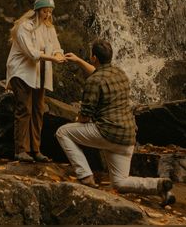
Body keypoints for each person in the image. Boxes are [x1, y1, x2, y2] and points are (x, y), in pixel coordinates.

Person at [56, 39, 175, 206]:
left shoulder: (94, 81)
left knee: (63, 132)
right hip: (127, 136)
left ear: (94, 58)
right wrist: (78, 60)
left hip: (108, 133)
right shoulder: (120, 73)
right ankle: (159, 185)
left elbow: (85, 115)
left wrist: (78, 119)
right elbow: (99, 74)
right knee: (119, 182)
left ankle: (85, 176)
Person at [6, 0, 66, 162]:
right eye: (44, 10)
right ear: (37, 9)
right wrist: (53, 58)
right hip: (22, 72)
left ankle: (35, 149)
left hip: (40, 73)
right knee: (24, 108)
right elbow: (32, 54)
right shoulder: (24, 27)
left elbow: (57, 47)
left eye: (50, 11)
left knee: (38, 110)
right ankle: (21, 150)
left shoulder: (49, 28)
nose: (47, 14)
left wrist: (60, 55)